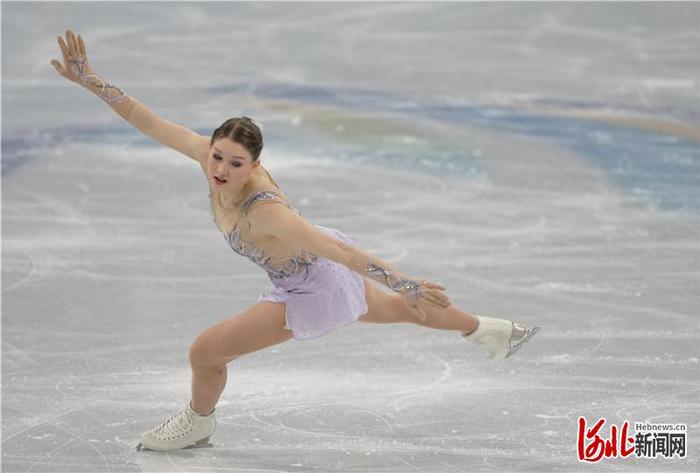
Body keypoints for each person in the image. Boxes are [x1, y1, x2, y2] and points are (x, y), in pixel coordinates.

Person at [51, 30, 540, 452]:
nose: (220, 170)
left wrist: (405, 280)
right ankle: (489, 329)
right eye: (218, 156)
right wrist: (88, 79)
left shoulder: (268, 211)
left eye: (234, 164)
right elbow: (146, 119)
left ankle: (197, 424)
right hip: (311, 269)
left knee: (205, 352)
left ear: (255, 165)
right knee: (389, 311)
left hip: (311, 283)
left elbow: (344, 255)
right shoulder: (207, 156)